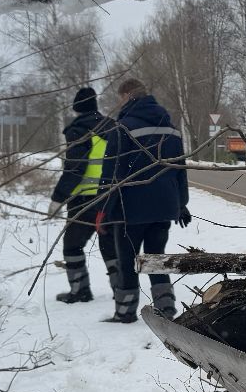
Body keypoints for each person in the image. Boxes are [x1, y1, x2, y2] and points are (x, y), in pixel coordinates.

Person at [103, 78, 191, 324]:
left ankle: (125, 311)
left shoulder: (122, 128)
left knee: (128, 259)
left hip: (130, 208)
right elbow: (179, 171)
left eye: (120, 97)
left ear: (127, 95)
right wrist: (181, 204)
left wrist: (105, 209)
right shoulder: (171, 129)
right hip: (164, 207)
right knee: (155, 257)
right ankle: (166, 308)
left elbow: (110, 173)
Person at [48, 86, 117, 304]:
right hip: (112, 197)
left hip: (84, 200)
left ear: (77, 108)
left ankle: (80, 291)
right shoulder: (113, 127)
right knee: (111, 247)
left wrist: (57, 198)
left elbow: (75, 169)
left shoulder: (78, 130)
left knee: (72, 246)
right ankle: (122, 292)